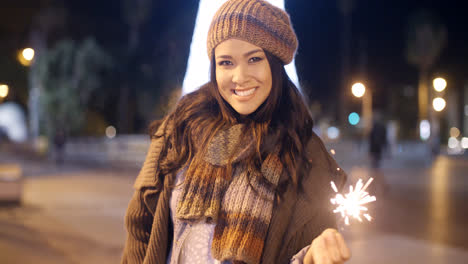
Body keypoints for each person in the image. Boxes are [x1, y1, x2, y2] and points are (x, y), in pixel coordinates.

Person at [122, 1, 350, 263]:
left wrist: (309, 258)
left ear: (275, 63)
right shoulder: (182, 127)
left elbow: (310, 247)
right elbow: (140, 225)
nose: (240, 76)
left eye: (254, 59)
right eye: (226, 62)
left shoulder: (306, 155)